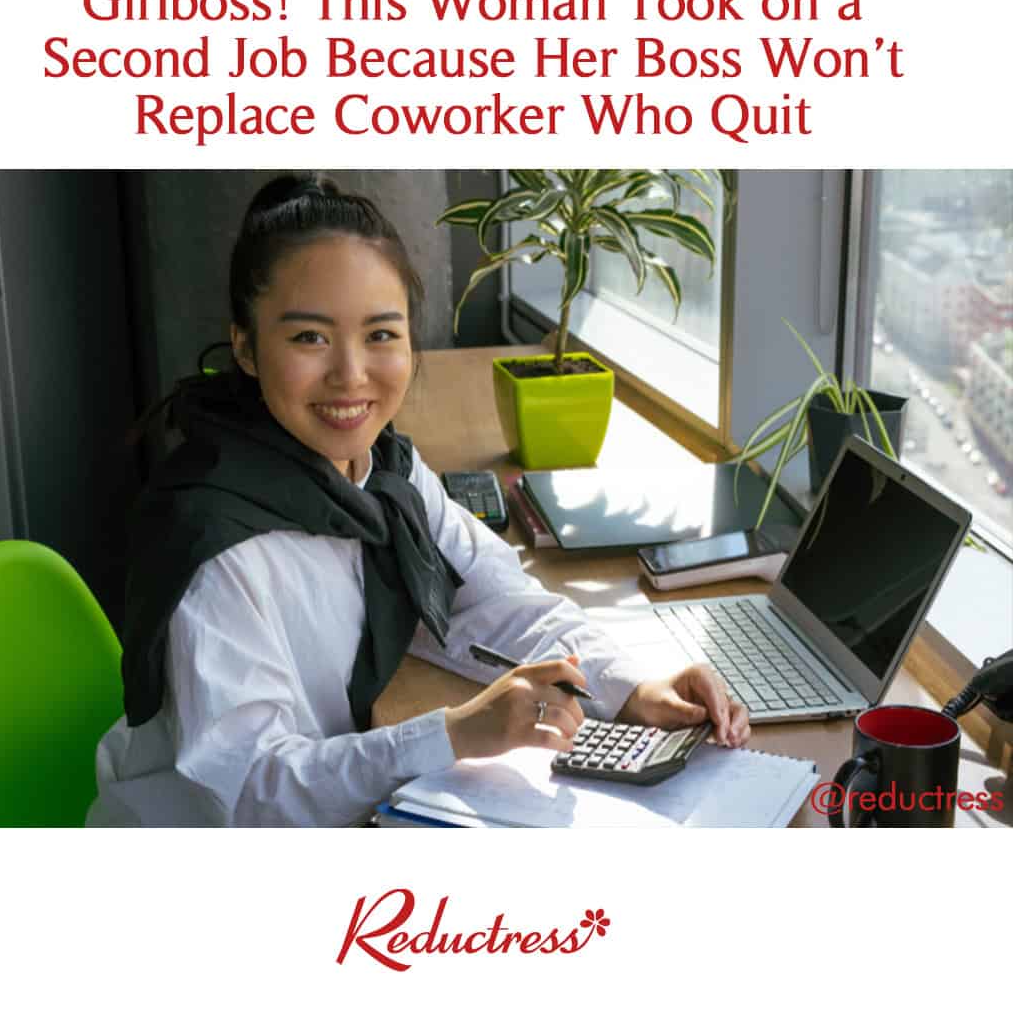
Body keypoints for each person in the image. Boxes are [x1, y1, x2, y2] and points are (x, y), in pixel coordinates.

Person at [87, 174, 750, 827]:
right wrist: (455, 732)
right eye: (309, 337)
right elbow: (252, 792)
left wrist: (632, 686)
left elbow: (494, 599)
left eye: (380, 334)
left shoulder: (385, 477)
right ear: (247, 348)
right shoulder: (218, 540)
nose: (351, 374)